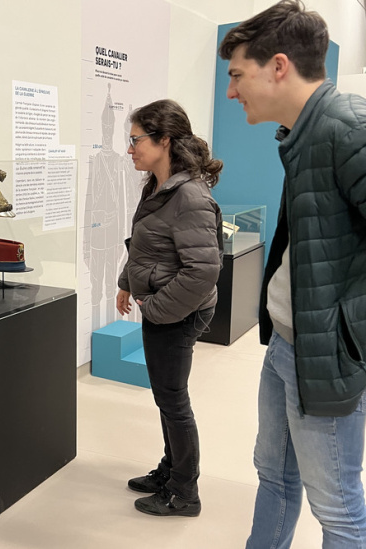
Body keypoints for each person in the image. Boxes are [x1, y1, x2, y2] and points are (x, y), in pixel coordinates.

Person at [219, 1, 366, 547]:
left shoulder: (348, 127)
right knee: (274, 477)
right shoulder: (304, 134)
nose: (231, 92)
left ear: (278, 66)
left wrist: (345, 336)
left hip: (323, 357)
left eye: (238, 75)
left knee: (338, 509)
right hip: (286, 345)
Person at [116, 99, 223, 517]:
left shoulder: (189, 196)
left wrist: (157, 308)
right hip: (164, 307)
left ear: (164, 140)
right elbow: (148, 246)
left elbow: (203, 271)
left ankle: (184, 491)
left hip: (178, 311)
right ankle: (171, 469)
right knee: (166, 397)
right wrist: (127, 282)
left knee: (174, 401)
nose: (130, 149)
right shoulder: (159, 187)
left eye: (136, 140)